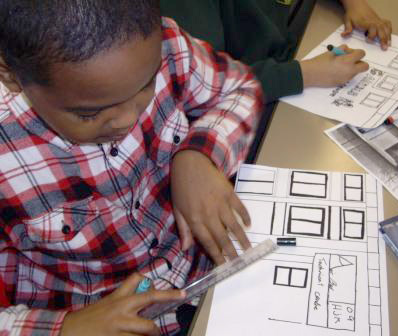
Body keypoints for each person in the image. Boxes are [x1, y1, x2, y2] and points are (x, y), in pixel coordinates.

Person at [0, 1, 263, 335]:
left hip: (204, 285)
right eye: (88, 114)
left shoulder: (162, 43)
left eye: (146, 86)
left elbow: (240, 88)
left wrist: (200, 155)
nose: (129, 119)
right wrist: (65, 328)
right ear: (10, 74)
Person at [161, 0, 393, 103]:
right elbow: (204, 86)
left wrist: (354, 3)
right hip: (254, 92)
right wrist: (304, 74)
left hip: (292, 47)